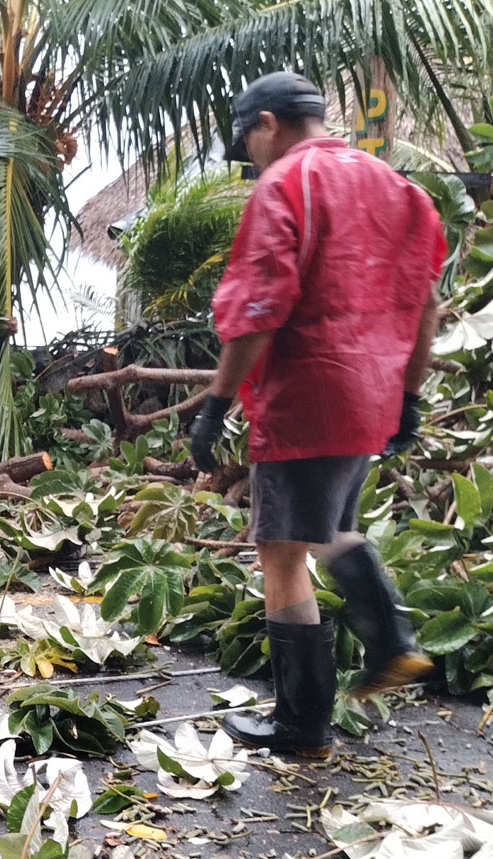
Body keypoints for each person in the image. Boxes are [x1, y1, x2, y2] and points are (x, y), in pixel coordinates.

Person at [189, 71, 446, 759]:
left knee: (280, 551)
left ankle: (305, 723)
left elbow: (255, 314)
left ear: (267, 124)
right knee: (331, 527)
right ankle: (388, 642)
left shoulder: (285, 186)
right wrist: (409, 397)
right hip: (372, 398)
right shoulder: (402, 192)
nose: (253, 158)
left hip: (306, 398)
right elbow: (428, 308)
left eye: (249, 143)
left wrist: (215, 405)